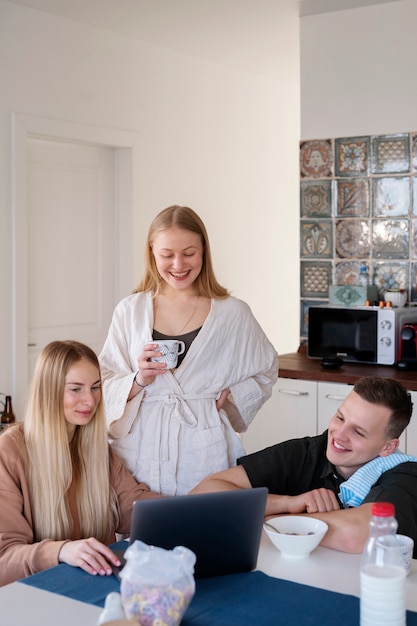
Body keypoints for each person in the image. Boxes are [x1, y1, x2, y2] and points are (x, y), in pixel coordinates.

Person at [99, 205, 278, 496]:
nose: (179, 264)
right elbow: (103, 380)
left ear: (204, 251)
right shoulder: (129, 311)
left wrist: (233, 395)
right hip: (138, 450)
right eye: (167, 255)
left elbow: (266, 369)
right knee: (140, 531)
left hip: (203, 449)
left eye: (189, 253)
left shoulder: (232, 314)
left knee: (203, 529)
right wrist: (138, 380)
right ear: (152, 253)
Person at [190, 377, 417, 557]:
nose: (339, 434)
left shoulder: (405, 475)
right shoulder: (306, 452)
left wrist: (265, 518)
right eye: (340, 418)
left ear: (388, 447)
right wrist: (289, 504)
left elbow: (356, 534)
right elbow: (203, 495)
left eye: (358, 432)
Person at [0, 340, 161, 587]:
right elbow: (5, 559)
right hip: (41, 596)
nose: (90, 401)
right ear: (48, 391)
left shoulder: (96, 447)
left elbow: (134, 507)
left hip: (98, 587)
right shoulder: (10, 451)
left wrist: (189, 512)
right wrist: (62, 551)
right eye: (76, 389)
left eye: (95, 387)